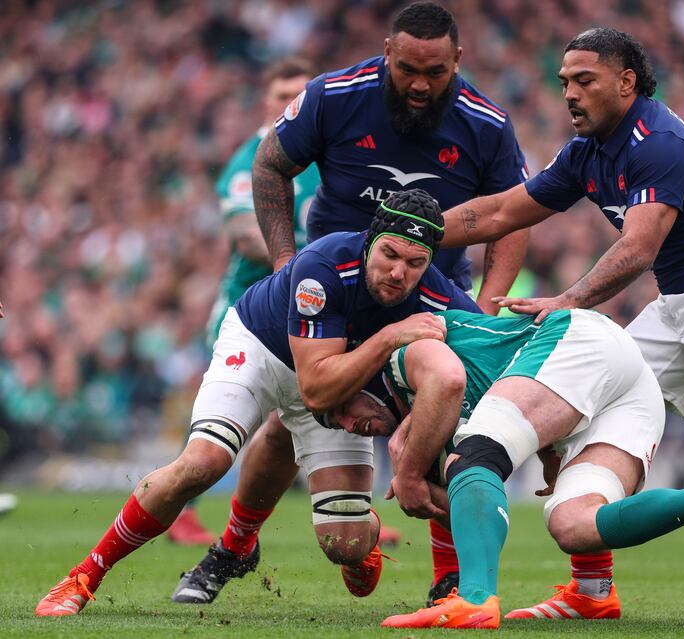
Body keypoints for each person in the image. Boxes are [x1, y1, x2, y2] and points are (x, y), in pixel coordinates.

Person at [436, 27, 684, 623]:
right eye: (564, 82)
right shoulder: (586, 151)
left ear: (626, 82)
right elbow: (501, 211)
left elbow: (638, 248)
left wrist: (570, 298)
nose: (569, 94)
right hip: (678, 300)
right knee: (583, 397)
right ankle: (592, 590)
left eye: (585, 80)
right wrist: (411, 229)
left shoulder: (659, 141)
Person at [190, 0, 530, 605]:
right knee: (287, 423)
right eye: (408, 70)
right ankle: (237, 544)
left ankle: (449, 579)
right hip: (335, 294)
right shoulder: (335, 95)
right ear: (386, 53)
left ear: (457, 60)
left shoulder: (486, 124)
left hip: (429, 298)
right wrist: (286, 264)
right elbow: (271, 165)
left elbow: (511, 214)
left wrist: (488, 302)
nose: (420, 85)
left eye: (435, 72)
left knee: (446, 423)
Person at [35, 189, 480, 617]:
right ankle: (84, 576)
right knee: (203, 462)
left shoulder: (440, 296)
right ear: (369, 241)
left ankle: (354, 532)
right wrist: (388, 338)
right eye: (390, 255)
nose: (399, 272)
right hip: (262, 350)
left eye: (415, 263)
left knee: (347, 545)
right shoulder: (323, 265)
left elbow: (486, 367)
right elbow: (314, 391)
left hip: (340, 379)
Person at [321, 309, 684, 628]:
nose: (348, 424)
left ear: (363, 377)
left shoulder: (403, 356)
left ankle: (474, 599)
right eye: (334, 423)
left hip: (580, 340)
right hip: (625, 386)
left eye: (342, 406)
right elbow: (469, 494)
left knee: (474, 456)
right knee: (573, 523)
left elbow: (450, 381)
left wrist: (410, 473)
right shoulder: (420, 411)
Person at [167, 58, 322, 547]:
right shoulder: (250, 158)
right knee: (225, 411)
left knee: (314, 403)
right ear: (265, 102)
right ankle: (181, 512)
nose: (290, 103)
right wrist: (310, 258)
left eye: (300, 94)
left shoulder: (326, 156)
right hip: (249, 310)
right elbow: (245, 236)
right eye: (281, 95)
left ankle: (345, 512)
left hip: (308, 305)